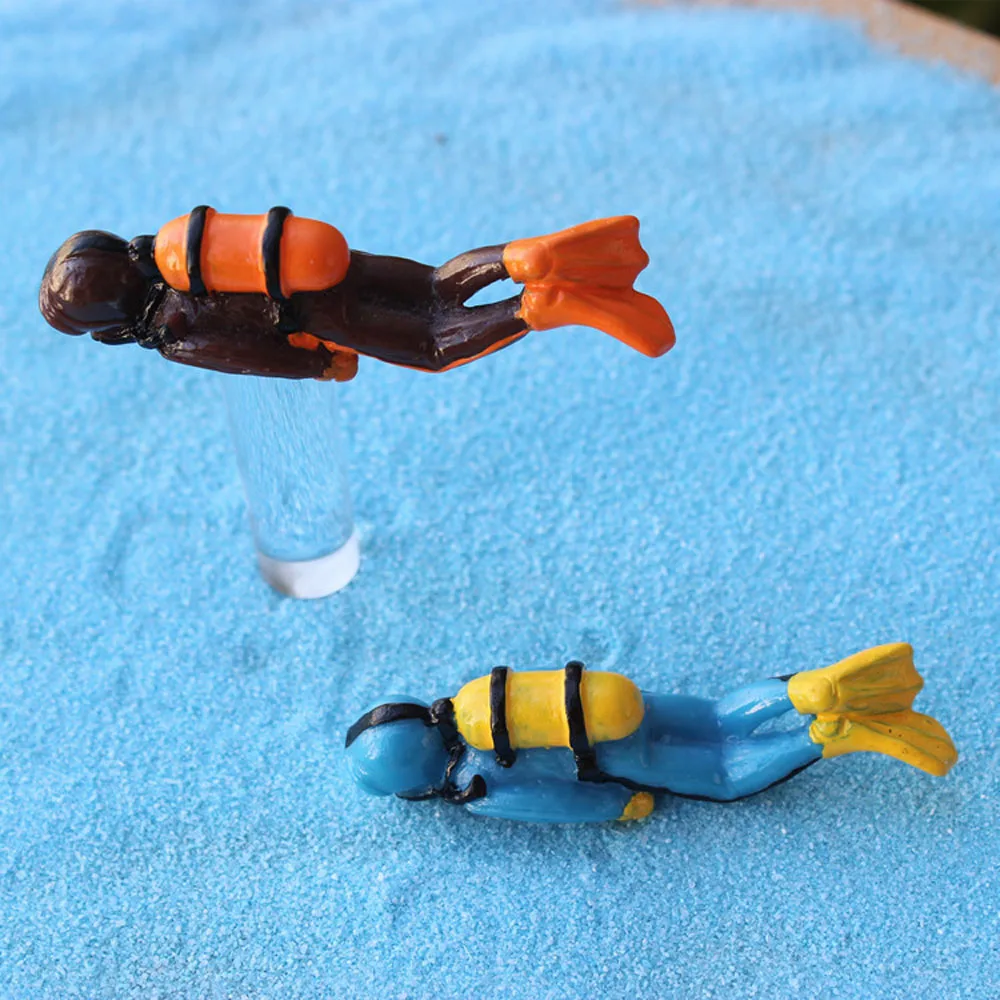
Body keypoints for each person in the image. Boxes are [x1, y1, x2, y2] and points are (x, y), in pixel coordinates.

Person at [344, 643, 957, 824]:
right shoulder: (471, 700)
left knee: (722, 772)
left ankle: (824, 735)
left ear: (413, 785)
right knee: (718, 716)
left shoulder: (476, 788)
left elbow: (551, 802)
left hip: (617, 758)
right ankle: (800, 691)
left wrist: (617, 806)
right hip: (624, 703)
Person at [39, 210, 675, 381]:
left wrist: (318, 364)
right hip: (333, 262)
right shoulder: (178, 250)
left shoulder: (171, 331)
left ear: (109, 327)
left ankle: (533, 307)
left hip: (317, 313)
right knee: (434, 284)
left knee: (432, 344)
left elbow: (248, 355)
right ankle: (517, 258)